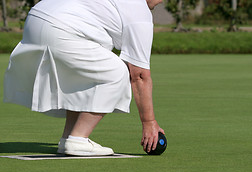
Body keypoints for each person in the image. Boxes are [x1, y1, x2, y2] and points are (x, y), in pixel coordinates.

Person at [3, 0, 165, 156]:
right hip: (60, 27)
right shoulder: (139, 12)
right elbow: (140, 75)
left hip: (36, 18)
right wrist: (149, 122)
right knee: (117, 72)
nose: (161, 1)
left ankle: (68, 138)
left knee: (87, 73)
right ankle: (78, 139)